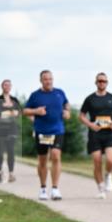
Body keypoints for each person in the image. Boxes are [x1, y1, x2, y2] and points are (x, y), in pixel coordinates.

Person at [23, 70, 70, 201]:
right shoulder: (35, 95)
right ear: (41, 81)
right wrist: (36, 111)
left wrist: (67, 111)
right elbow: (25, 111)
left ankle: (55, 189)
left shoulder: (59, 93)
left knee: (55, 155)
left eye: (50, 79)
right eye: (45, 79)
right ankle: (43, 188)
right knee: (43, 160)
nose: (48, 81)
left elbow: (66, 104)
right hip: (42, 131)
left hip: (57, 130)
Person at [79, 73, 112, 199]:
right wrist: (90, 124)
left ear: (107, 82)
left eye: (104, 81)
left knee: (110, 160)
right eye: (99, 81)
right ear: (96, 82)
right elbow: (81, 115)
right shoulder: (90, 99)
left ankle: (108, 175)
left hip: (109, 133)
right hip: (95, 134)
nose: (101, 83)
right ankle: (101, 188)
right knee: (97, 161)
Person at [0, 80, 22, 183]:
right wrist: (6, 113)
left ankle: (11, 174)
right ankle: (0, 172)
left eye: (9, 85)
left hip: (12, 128)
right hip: (0, 128)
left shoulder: (14, 100)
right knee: (0, 151)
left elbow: (19, 112)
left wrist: (16, 113)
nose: (7, 86)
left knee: (11, 151)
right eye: (5, 85)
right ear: (2, 86)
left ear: (11, 87)